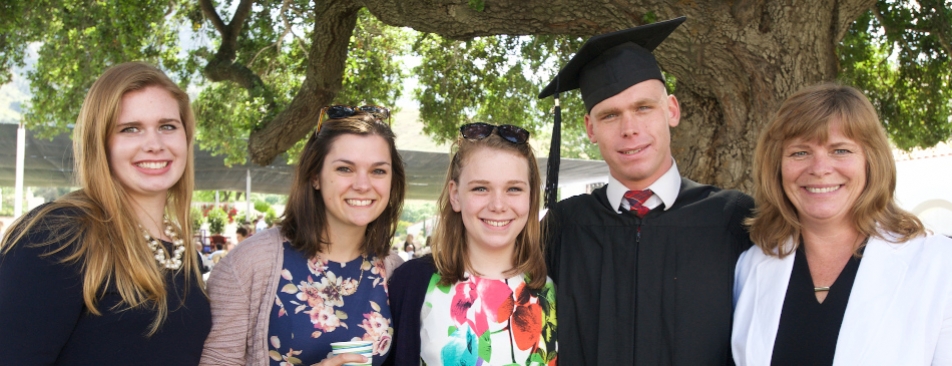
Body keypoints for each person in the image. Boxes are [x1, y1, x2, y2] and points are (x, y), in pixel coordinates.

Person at [537, 17, 754, 365]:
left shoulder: (733, 220)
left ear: (671, 110)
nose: (629, 129)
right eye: (610, 116)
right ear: (590, 128)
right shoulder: (562, 228)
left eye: (643, 108)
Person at [0, 61, 210, 364]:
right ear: (100, 143)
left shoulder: (183, 251)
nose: (154, 144)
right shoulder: (58, 236)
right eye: (130, 129)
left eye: (167, 126)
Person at [732, 83, 952, 365]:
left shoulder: (939, 266)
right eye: (800, 152)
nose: (820, 168)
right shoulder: (749, 267)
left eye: (840, 150)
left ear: (871, 161)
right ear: (777, 166)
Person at [200, 106, 406, 366]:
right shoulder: (249, 265)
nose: (363, 185)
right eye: (345, 169)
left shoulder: (394, 270)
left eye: (378, 171)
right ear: (315, 176)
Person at [385, 123, 557, 365]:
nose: (498, 205)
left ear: (531, 197)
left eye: (514, 189)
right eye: (480, 188)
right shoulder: (411, 284)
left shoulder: (554, 291)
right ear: (455, 195)